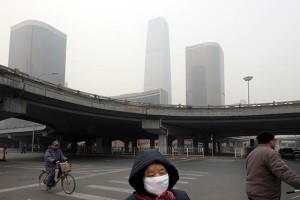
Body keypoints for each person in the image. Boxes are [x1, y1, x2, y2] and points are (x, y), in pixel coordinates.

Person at [246, 131, 300, 200]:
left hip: (252, 193)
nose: (275, 142)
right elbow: (284, 172)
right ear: (271, 141)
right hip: (265, 195)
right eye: (275, 141)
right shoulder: (270, 153)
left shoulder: (252, 153)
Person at [126, 149, 190, 200]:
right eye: (151, 175)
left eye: (162, 173)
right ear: (141, 178)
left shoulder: (181, 197)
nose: (158, 178)